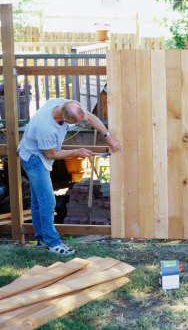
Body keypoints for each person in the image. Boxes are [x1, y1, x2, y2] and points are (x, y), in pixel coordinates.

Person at [17, 98, 120, 256]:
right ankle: (53, 243)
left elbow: (90, 117)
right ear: (65, 119)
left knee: (39, 201)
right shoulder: (46, 128)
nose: (83, 118)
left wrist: (108, 136)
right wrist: (76, 152)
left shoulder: (64, 104)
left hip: (37, 154)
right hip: (33, 158)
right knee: (48, 202)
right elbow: (51, 154)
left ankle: (42, 239)